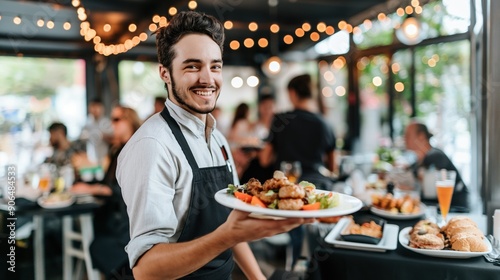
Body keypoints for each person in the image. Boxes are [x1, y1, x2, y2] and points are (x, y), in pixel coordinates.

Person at [116, 11, 311, 280]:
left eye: (215, 66)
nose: (208, 79)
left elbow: (229, 224)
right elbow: (146, 270)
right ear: (165, 73)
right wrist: (225, 236)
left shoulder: (217, 138)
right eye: (192, 66)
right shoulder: (152, 145)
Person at [259, 74, 336, 267]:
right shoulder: (325, 123)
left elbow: (264, 159)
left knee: (297, 234)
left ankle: (295, 265)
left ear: (292, 93)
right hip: (317, 191)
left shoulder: (281, 119)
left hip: (288, 191)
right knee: (314, 239)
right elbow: (332, 167)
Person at [71, 105, 142, 278]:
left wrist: (91, 188)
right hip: (113, 221)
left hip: (128, 226)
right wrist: (85, 183)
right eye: (111, 119)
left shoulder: (137, 148)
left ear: (129, 121)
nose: (112, 124)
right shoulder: (118, 149)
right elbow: (107, 182)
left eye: (116, 119)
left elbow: (119, 188)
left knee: (98, 246)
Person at [404, 120, 469, 211]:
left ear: (421, 136)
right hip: (437, 208)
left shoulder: (435, 156)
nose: (404, 139)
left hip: (454, 209)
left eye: (408, 135)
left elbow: (429, 193)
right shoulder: (421, 159)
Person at [79, 98, 114, 166]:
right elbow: (82, 138)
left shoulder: (107, 122)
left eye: (97, 107)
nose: (95, 110)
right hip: (90, 158)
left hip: (105, 157)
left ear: (102, 108)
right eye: (93, 107)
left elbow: (113, 139)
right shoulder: (86, 123)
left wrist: (102, 136)